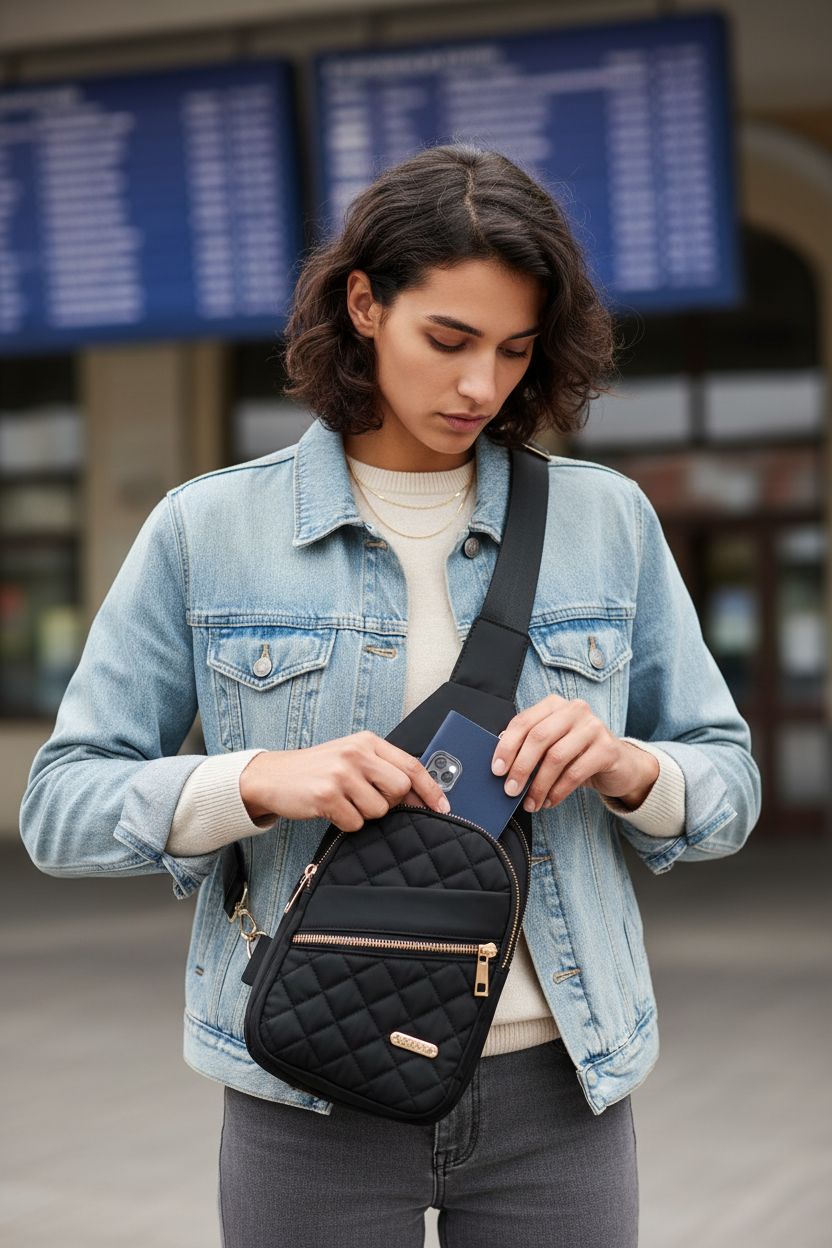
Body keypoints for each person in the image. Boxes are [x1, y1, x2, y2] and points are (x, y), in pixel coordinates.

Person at [19, 143, 761, 1248]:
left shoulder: (606, 523)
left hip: (558, 1094)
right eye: (448, 339)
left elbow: (727, 780)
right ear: (363, 303)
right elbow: (60, 807)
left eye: (514, 350)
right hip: (308, 1092)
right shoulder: (206, 530)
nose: (480, 386)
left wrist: (630, 765)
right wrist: (258, 780)